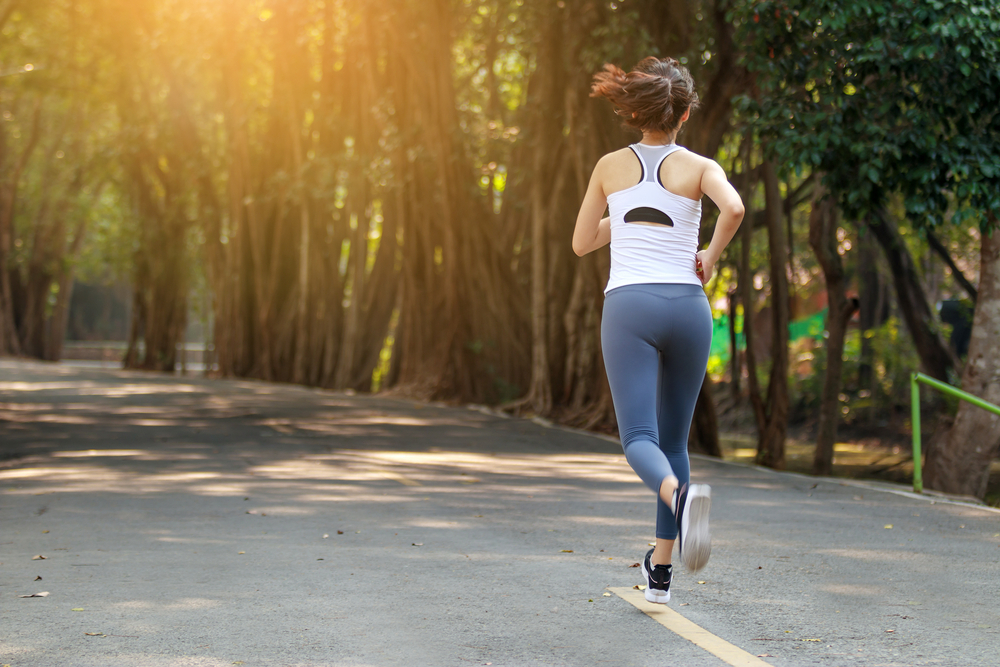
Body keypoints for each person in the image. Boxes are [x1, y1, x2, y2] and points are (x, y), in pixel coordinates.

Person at [572, 57, 744, 604]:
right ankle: (660, 574)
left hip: (631, 308)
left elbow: (581, 243)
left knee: (640, 441)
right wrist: (710, 255)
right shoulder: (699, 166)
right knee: (674, 441)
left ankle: (678, 497)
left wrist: (622, 214)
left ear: (634, 112)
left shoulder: (607, 166)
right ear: (685, 113)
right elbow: (734, 208)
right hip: (689, 307)